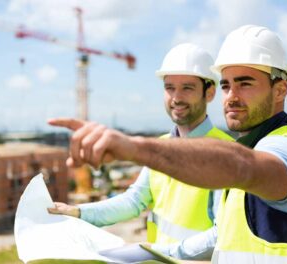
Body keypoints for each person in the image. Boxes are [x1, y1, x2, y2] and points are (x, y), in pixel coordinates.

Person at [49, 25, 287, 263]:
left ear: (280, 90)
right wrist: (80, 214)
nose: (232, 96)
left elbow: (241, 166)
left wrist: (135, 148)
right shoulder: (243, 150)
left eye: (245, 84)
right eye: (226, 85)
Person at [48, 43, 234, 260]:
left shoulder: (227, 153)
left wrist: (157, 252)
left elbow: (223, 234)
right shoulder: (159, 146)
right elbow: (134, 201)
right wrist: (78, 212)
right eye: (169, 87)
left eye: (187, 87)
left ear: (209, 93)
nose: (176, 97)